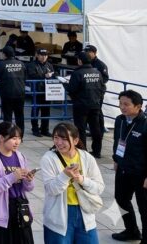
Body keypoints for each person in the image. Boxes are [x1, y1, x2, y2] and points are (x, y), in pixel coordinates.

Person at [40, 122, 105, 243]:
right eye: (56, 138)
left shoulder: (87, 157)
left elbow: (99, 187)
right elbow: (51, 189)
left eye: (64, 139)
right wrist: (65, 175)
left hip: (85, 212)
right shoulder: (48, 158)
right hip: (58, 216)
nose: (59, 142)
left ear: (75, 141)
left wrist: (82, 180)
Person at [111, 90, 147, 242]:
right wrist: (116, 159)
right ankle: (132, 231)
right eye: (120, 103)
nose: (122, 107)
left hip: (141, 173)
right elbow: (117, 141)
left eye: (126, 104)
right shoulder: (120, 120)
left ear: (138, 106)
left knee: (144, 207)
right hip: (123, 168)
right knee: (121, 199)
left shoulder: (144, 124)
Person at [65, 52, 106, 158]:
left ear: (80, 61)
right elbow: (103, 88)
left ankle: (82, 151)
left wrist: (65, 85)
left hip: (81, 105)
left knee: (80, 129)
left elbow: (72, 89)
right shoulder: (97, 72)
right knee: (95, 128)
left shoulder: (77, 73)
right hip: (95, 104)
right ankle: (97, 151)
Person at [0, 46, 27, 134]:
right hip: (20, 93)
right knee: (20, 116)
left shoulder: (1, 65)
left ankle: (8, 135)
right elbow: (25, 77)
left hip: (7, 93)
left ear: (4, 54)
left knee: (7, 117)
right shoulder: (21, 64)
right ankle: (20, 136)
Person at [27, 49, 55, 138]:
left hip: (48, 91)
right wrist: (44, 76)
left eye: (45, 55)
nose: (44, 57)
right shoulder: (32, 65)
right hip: (37, 91)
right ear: (37, 55)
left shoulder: (49, 65)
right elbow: (31, 75)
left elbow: (54, 74)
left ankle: (44, 129)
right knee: (35, 110)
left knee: (46, 111)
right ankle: (35, 129)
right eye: (42, 55)